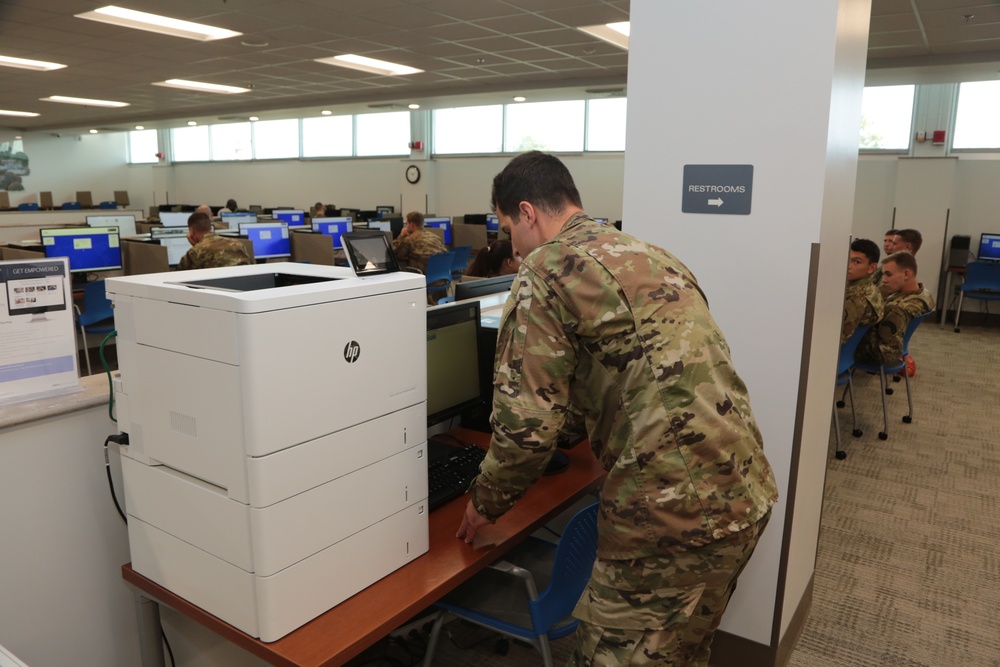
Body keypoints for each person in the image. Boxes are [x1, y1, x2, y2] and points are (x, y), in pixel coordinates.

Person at [456, 152, 778, 666]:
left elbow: (525, 431)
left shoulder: (546, 270)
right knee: (684, 653)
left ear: (527, 212)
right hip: (744, 489)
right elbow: (647, 370)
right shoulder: (648, 252)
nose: (510, 246)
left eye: (505, 227)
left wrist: (484, 504)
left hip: (671, 516)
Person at [856, 252, 934, 365]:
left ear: (906, 274)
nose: (884, 280)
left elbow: (885, 353)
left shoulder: (896, 310)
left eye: (888, 274)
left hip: (867, 352)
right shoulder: (923, 293)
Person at [177, 211, 252, 271]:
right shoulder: (238, 244)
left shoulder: (195, 252)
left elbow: (178, 276)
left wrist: (196, 247)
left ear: (191, 230)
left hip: (217, 289)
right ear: (210, 227)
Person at [841, 238, 884, 344]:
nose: (848, 266)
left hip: (844, 352)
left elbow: (839, 338)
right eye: (848, 259)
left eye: (856, 262)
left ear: (871, 267)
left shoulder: (856, 297)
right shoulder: (869, 286)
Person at [391, 211, 446, 275]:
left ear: (411, 224)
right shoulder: (436, 237)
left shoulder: (410, 239)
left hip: (423, 278)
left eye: (406, 224)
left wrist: (401, 236)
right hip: (442, 277)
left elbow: (395, 255)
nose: (406, 226)